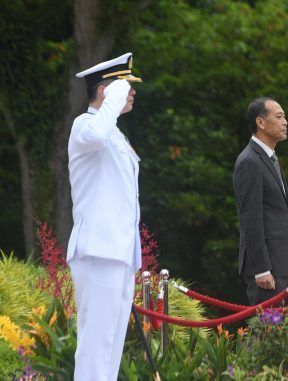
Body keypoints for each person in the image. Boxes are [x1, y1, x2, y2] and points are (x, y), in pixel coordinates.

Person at [67, 52, 143, 380]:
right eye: (125, 86)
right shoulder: (85, 126)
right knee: (96, 344)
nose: (132, 92)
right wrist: (112, 97)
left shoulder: (116, 134)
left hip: (119, 252)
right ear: (105, 92)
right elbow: (97, 134)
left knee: (110, 344)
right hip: (97, 250)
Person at [234, 97, 288, 307]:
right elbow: (250, 218)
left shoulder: (269, 157)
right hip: (268, 269)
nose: (285, 122)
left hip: (284, 265)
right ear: (260, 123)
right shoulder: (249, 161)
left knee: (284, 336)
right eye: (279, 116)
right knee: (268, 335)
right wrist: (261, 269)